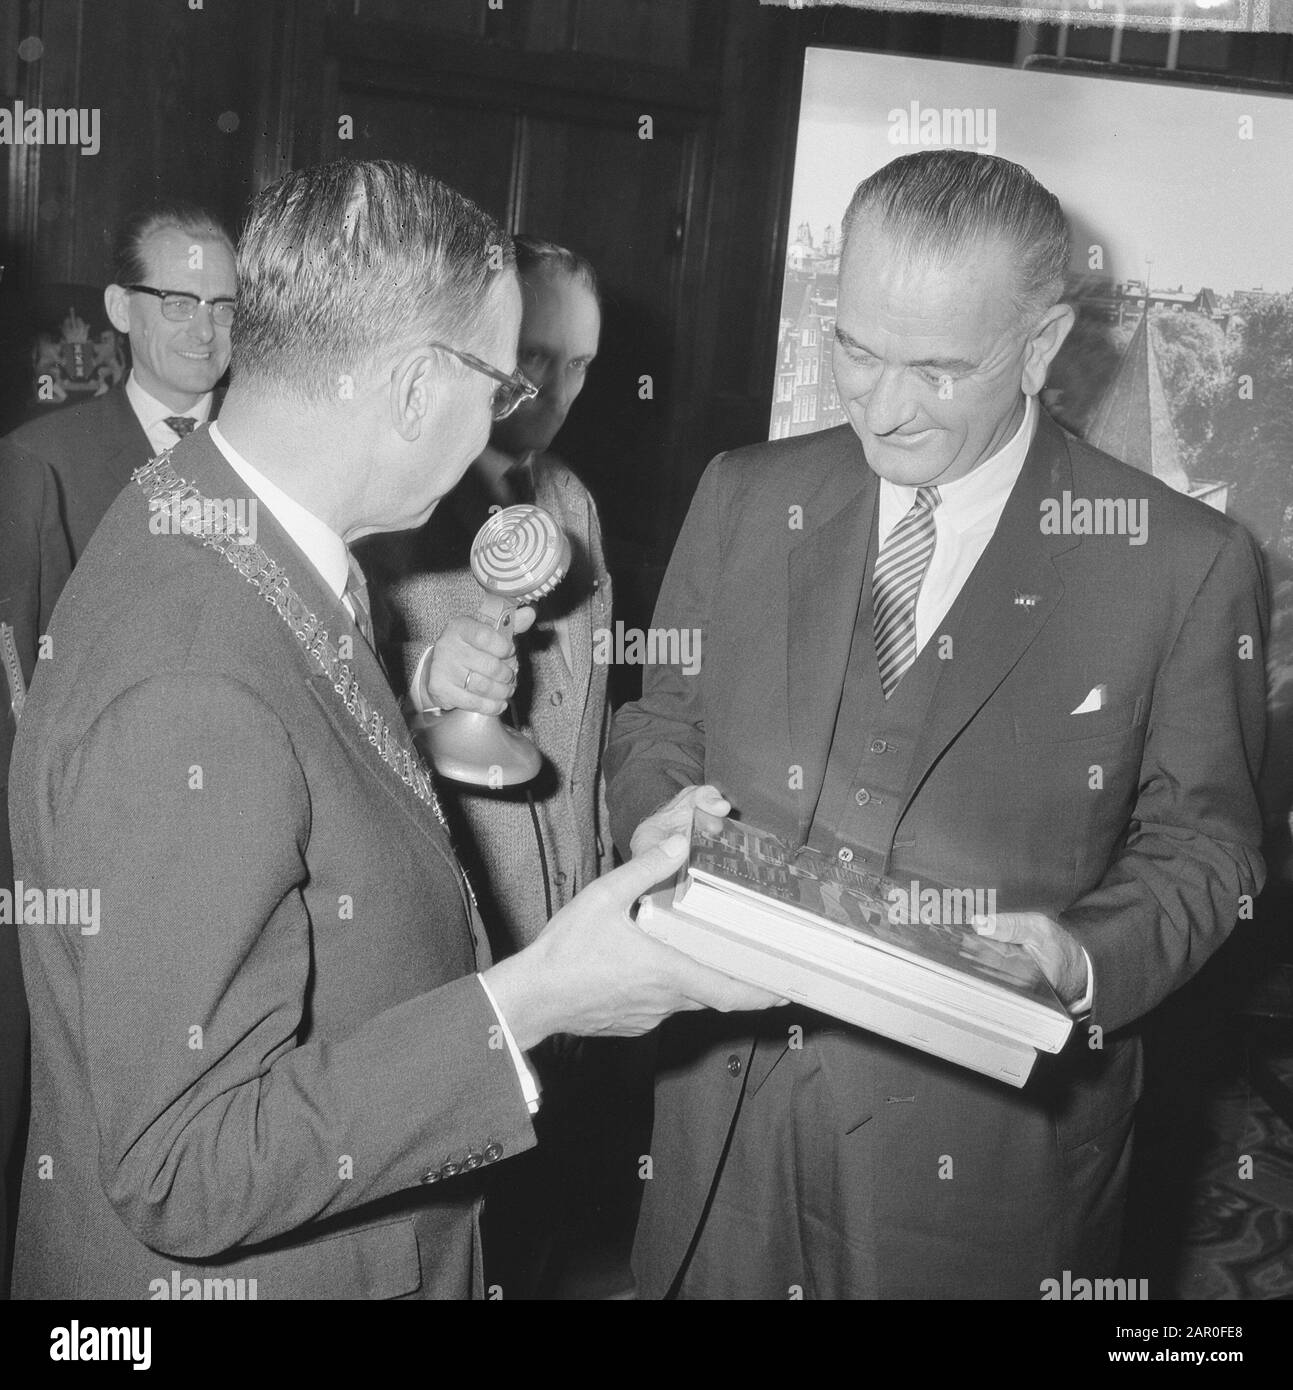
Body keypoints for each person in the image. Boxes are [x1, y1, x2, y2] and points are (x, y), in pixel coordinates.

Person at [8, 158, 776, 1300]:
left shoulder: (233, 523)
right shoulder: (192, 676)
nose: (504, 418)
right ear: (418, 389)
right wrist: (539, 999)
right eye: (502, 388)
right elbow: (183, 1166)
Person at [605, 150, 1268, 1299]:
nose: (880, 403)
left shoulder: (1182, 564)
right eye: (854, 347)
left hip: (985, 1172)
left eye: (937, 369)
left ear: (1045, 347)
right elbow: (661, 720)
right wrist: (650, 811)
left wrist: (1082, 954)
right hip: (722, 1118)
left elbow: (1210, 849)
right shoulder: (746, 494)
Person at [360, 237, 636, 1298]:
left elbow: (588, 722)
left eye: (582, 364)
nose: (556, 390)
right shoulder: (398, 512)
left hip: (567, 939)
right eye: (535, 356)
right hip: (451, 964)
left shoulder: (570, 500)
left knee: (543, 1237)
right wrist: (429, 679)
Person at [0, 200, 235, 1294]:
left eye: (226, 304)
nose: (204, 327)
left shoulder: (263, 460)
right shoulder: (44, 462)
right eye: (177, 300)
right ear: (118, 308)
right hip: (91, 878)